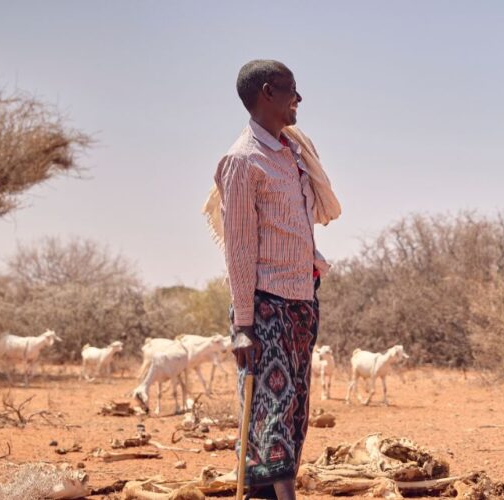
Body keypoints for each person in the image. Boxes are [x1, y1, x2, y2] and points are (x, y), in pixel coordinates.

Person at [210, 59, 340, 499]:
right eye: (291, 91)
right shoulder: (242, 161)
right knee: (269, 412)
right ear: (268, 92)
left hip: (302, 299)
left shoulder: (293, 153)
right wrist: (243, 327)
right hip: (265, 306)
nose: (298, 100)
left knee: (294, 410)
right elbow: (240, 249)